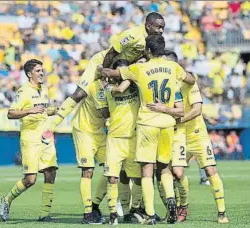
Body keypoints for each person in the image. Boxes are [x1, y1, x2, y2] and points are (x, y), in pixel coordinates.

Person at [100, 34, 192, 224]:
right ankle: (170, 199)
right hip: (168, 122)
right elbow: (190, 80)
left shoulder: (140, 68)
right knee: (164, 167)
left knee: (147, 171)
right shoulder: (173, 67)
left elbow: (115, 74)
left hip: (148, 123)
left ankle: (149, 213)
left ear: (148, 51)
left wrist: (102, 69)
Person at [46, 12, 166, 132]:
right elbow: (111, 53)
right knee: (80, 94)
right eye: (158, 27)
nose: (161, 31)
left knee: (115, 101)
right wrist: (103, 74)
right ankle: (51, 126)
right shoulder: (133, 35)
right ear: (148, 26)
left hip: (117, 69)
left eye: (163, 28)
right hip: (101, 63)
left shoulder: (154, 41)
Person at [164, 52, 229, 224]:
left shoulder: (189, 82)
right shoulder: (164, 85)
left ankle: (222, 212)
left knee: (210, 170)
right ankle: (183, 207)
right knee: (176, 174)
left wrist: (178, 119)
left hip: (197, 135)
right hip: (178, 136)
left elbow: (197, 110)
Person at [0, 59, 59, 222]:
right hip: (30, 139)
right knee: (30, 179)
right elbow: (11, 113)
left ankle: (44, 214)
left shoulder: (45, 90)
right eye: (38, 71)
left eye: (42, 70)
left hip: (46, 137)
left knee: (50, 172)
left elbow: (44, 110)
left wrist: (55, 110)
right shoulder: (23, 91)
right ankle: (7, 199)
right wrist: (29, 111)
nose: (41, 73)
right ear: (29, 74)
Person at [98, 59, 143, 225]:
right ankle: (112, 213)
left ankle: (133, 210)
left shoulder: (137, 88)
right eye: (119, 72)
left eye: (125, 72)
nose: (122, 75)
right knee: (112, 178)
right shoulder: (108, 89)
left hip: (133, 139)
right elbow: (105, 111)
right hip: (115, 140)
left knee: (137, 179)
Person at [71, 75, 110, 224]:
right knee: (88, 170)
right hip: (84, 129)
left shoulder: (115, 86)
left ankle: (95, 205)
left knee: (112, 168)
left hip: (99, 131)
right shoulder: (97, 86)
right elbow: (105, 112)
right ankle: (88, 213)